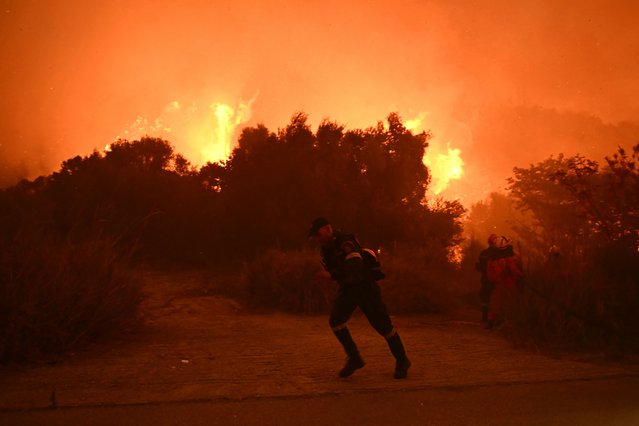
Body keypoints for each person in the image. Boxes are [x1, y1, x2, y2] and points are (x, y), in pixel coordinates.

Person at [308, 217, 411, 379]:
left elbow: (356, 264)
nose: (317, 238)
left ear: (328, 229)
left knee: (383, 326)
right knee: (336, 321)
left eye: (318, 234)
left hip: (365, 287)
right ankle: (354, 358)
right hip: (348, 289)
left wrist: (331, 274)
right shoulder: (326, 249)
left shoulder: (344, 241)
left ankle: (402, 360)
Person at [485, 235, 524, 330]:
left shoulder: (491, 260)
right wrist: (522, 276)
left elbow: (490, 275)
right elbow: (514, 270)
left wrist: (496, 281)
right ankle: (509, 322)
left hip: (498, 285)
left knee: (496, 303)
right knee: (512, 301)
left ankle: (491, 323)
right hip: (509, 283)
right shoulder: (508, 258)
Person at [475, 234, 498, 323]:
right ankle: (492, 318)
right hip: (496, 279)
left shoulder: (484, 253)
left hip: (486, 279)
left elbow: (479, 266)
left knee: (485, 297)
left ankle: (485, 317)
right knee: (494, 297)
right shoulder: (499, 254)